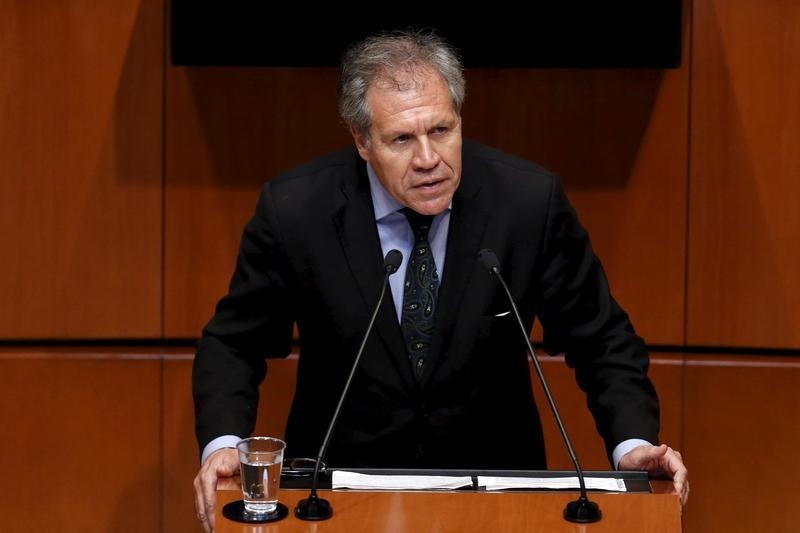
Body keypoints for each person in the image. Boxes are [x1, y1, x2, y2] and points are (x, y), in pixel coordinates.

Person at [192, 29, 689, 531]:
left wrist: (633, 445)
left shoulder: (526, 203)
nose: (429, 159)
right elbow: (234, 343)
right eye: (402, 139)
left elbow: (602, 339)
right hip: (337, 497)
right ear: (362, 140)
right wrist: (224, 446)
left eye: (442, 130)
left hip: (498, 496)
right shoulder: (298, 211)